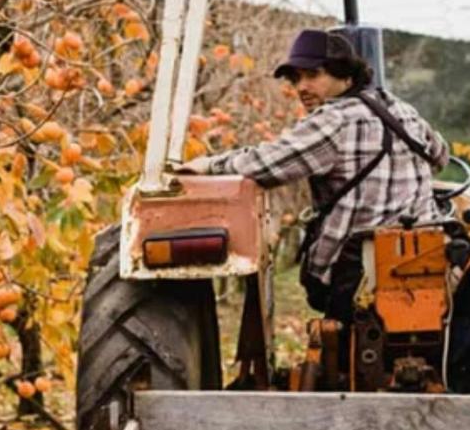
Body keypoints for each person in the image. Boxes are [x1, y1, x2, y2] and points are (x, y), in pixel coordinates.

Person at [176, 29, 449, 324]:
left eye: (312, 75)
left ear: (345, 76)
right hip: (427, 262)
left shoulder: (333, 119)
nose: (301, 87)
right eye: (296, 79)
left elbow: (267, 164)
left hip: (356, 274)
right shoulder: (403, 111)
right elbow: (440, 156)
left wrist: (210, 166)